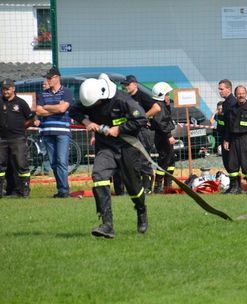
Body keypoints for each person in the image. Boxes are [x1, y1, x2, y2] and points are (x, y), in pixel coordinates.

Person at [71, 74, 149, 238]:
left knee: (133, 187)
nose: (95, 107)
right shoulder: (90, 98)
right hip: (105, 146)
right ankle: (107, 224)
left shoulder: (123, 100)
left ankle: (141, 210)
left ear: (103, 95)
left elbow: (141, 119)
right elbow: (74, 110)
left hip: (127, 146)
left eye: (96, 104)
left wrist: (119, 129)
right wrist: (87, 123)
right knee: (98, 176)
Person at [35, 67, 73, 198]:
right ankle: (61, 189)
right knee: (53, 163)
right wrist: (55, 108)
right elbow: (39, 111)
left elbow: (63, 108)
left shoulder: (67, 92)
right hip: (47, 132)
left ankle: (64, 190)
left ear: (57, 78)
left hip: (62, 132)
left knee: (61, 161)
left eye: (50, 78)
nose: (48, 80)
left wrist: (47, 107)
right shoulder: (42, 94)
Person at [121, 75, 161, 194]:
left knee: (144, 159)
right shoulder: (125, 98)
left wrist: (143, 117)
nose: (126, 86)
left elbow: (157, 108)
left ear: (135, 84)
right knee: (133, 160)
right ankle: (138, 187)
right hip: (131, 131)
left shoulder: (142, 96)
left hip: (142, 132)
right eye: (124, 85)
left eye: (128, 84)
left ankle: (147, 187)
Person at [0, 79, 34, 198]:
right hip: (2, 139)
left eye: (8, 89)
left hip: (18, 138)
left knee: (21, 164)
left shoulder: (21, 103)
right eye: (4, 89)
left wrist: (22, 127)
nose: (5, 91)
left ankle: (24, 191)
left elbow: (31, 118)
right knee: (1, 166)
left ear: (13, 89)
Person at [150, 82, 176, 194]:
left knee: (170, 161)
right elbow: (161, 123)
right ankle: (158, 187)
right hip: (163, 137)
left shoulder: (164, 106)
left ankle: (167, 185)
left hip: (164, 135)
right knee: (164, 161)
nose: (168, 97)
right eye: (166, 94)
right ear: (161, 95)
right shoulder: (159, 106)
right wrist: (169, 136)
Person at [217, 79, 236, 173]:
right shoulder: (225, 103)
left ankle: (235, 185)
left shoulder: (232, 103)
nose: (220, 91)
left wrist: (227, 139)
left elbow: (230, 123)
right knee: (227, 162)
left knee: (230, 162)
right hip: (224, 136)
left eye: (221, 89)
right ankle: (233, 184)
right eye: (219, 89)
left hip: (230, 138)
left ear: (228, 89)